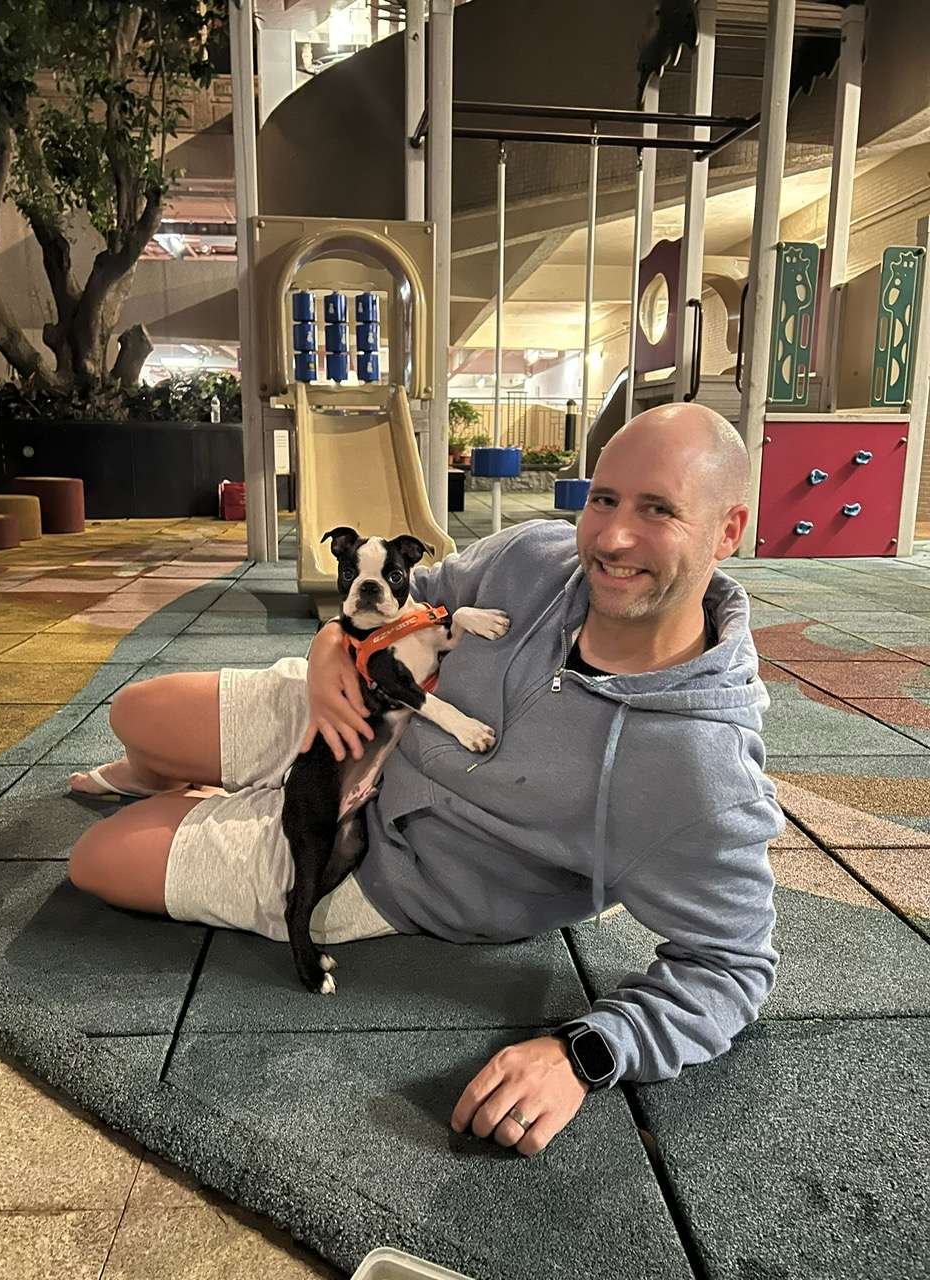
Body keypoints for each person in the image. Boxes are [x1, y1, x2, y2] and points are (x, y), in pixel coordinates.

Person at [68, 402, 785, 1158]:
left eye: (658, 510)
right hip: (363, 705)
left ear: (727, 531)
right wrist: (328, 648)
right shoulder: (535, 557)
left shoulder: (702, 770)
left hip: (399, 866)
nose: (610, 538)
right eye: (603, 499)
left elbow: (732, 968)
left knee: (99, 858)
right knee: (136, 711)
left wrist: (584, 1053)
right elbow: (406, 594)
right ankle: (195, 782)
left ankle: (205, 796)